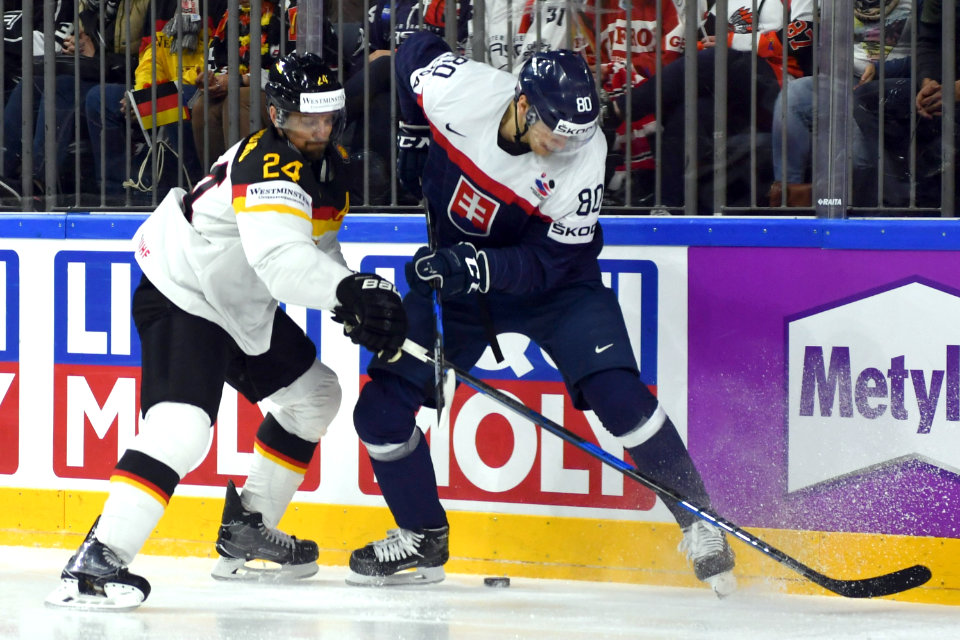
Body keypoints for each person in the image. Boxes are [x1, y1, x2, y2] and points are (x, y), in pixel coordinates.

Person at [345, 30, 737, 597]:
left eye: (577, 137)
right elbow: (413, 51)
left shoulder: (584, 153)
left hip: (556, 288)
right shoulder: (463, 91)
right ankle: (421, 536)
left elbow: (552, 262)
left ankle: (700, 521)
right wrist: (410, 135)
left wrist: (476, 265)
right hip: (460, 285)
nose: (566, 146)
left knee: (618, 395)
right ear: (523, 104)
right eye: (555, 133)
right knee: (379, 412)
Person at [45, 52, 407, 610]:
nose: (320, 129)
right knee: (183, 425)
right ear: (277, 114)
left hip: (238, 304)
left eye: (328, 118)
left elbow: (317, 252)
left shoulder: (330, 169)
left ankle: (249, 529)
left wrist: (353, 298)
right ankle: (96, 563)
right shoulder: (268, 161)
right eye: (307, 119)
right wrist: (349, 290)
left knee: (314, 397)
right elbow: (282, 262)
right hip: (183, 288)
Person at [606, 0, 815, 213]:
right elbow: (701, 40)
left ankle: (615, 111)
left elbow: (799, 39)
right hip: (733, 91)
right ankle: (669, 208)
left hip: (780, 87)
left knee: (722, 57)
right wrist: (714, 44)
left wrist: (732, 41)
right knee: (689, 114)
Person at [769, 0, 914, 208]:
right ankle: (788, 197)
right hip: (846, 80)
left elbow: (930, 53)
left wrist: (883, 70)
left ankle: (852, 211)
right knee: (793, 95)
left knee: (855, 151)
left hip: (894, 83)